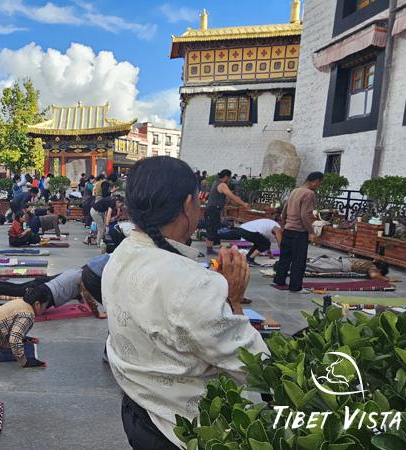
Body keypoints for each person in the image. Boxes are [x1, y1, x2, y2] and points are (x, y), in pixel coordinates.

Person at [104, 156, 268, 449]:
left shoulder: (122, 253)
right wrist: (233, 301)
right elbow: (255, 368)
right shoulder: (193, 282)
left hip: (136, 409)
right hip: (181, 430)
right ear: (189, 203)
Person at [273, 172, 324, 293]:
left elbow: (284, 211)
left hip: (288, 229)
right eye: (319, 183)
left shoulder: (295, 191)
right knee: (299, 260)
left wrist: (285, 224)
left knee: (285, 257)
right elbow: (304, 215)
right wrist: (311, 231)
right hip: (299, 231)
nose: (318, 186)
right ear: (315, 181)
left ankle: (279, 280)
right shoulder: (309, 193)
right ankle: (295, 287)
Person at [205, 169, 250, 255]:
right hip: (213, 209)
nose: (229, 180)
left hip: (212, 209)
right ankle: (209, 250)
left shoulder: (216, 182)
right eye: (229, 178)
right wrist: (243, 203)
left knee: (212, 228)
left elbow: (225, 199)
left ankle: (210, 248)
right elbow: (232, 196)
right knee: (211, 229)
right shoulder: (222, 184)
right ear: (226, 177)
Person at [305, 256, 393, 281]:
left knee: (314, 264)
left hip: (340, 261)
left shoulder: (369, 263)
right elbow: (374, 275)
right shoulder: (372, 266)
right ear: (380, 270)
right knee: (315, 267)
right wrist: (386, 279)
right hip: (340, 265)